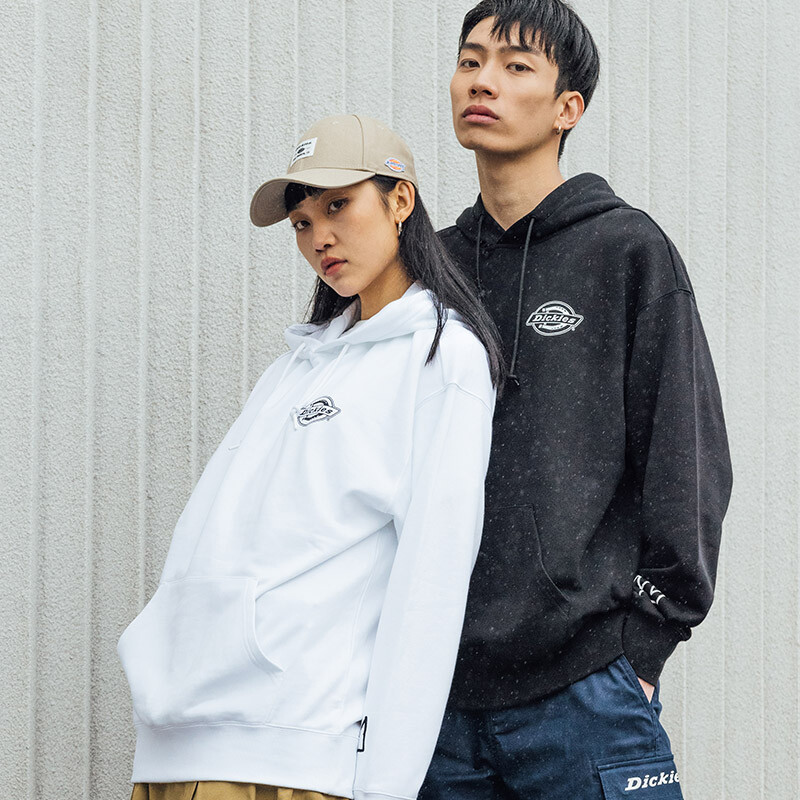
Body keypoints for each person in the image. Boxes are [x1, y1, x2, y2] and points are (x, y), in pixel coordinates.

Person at [118, 114, 505, 800]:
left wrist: (386, 785)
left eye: (337, 206)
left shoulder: (442, 358)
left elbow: (432, 581)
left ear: (400, 200)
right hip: (179, 741)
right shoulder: (297, 365)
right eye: (301, 222)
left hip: (290, 752)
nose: (318, 236)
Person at [419, 2, 733, 799]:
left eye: (516, 65)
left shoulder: (627, 251)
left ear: (569, 108)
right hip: (434, 703)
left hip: (585, 691)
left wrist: (646, 646)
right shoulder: (432, 272)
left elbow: (688, 459)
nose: (482, 80)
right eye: (470, 60)